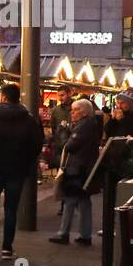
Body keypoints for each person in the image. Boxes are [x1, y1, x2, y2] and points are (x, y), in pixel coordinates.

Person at [0, 82, 44, 260]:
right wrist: (26, 160)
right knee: (11, 208)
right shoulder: (28, 119)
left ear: (3, 97)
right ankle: (7, 247)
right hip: (17, 169)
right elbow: (37, 144)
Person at [49, 98, 102, 246]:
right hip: (84, 168)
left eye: (75, 109)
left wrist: (63, 132)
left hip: (76, 168)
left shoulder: (83, 126)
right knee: (84, 202)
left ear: (84, 112)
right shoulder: (89, 124)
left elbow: (69, 146)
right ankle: (85, 235)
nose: (72, 113)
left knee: (70, 200)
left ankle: (63, 233)